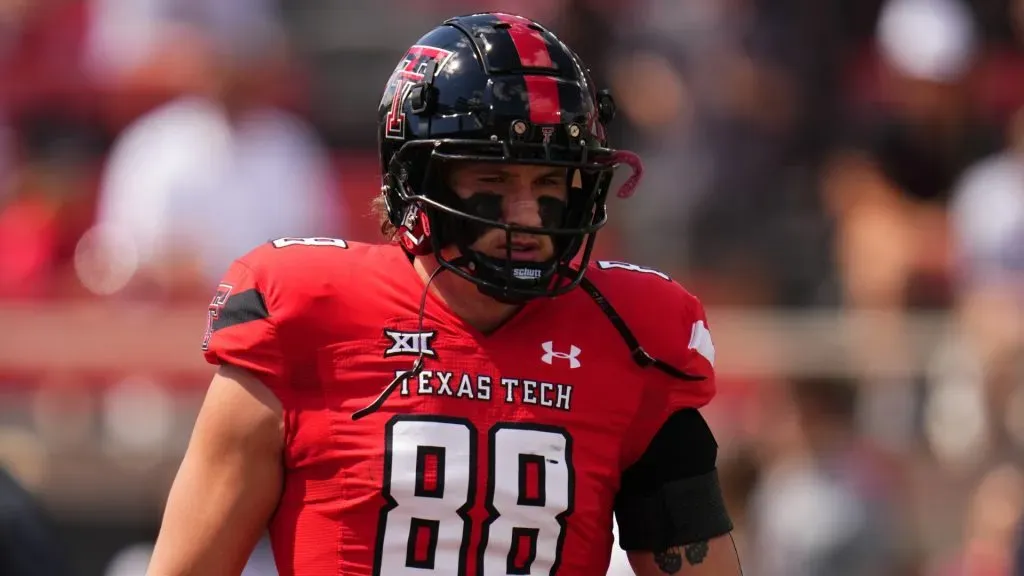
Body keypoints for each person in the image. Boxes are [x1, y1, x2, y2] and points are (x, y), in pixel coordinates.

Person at [147, 12, 741, 576]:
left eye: (550, 181)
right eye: (492, 179)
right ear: (415, 179)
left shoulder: (635, 336)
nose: (528, 215)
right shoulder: (303, 313)